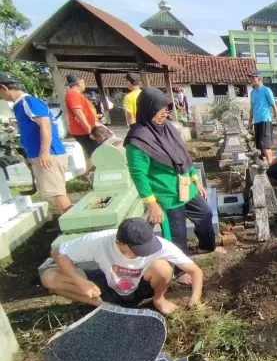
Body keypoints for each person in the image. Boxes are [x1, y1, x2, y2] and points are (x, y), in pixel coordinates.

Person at [41, 217, 203, 316]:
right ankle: (107, 308)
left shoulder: (159, 245)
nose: (143, 254)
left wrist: (193, 302)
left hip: (142, 288)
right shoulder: (100, 240)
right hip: (108, 285)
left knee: (162, 267)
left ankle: (159, 300)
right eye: (137, 250)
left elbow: (195, 271)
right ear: (120, 243)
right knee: (49, 278)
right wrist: (80, 282)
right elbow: (58, 253)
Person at [125, 87, 218, 256]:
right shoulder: (137, 140)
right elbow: (139, 175)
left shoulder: (168, 129)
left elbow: (182, 155)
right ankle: (179, 271)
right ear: (147, 109)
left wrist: (196, 180)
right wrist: (152, 205)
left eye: (165, 112)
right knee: (177, 234)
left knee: (204, 213)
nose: (163, 116)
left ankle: (206, 247)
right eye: (158, 112)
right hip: (166, 195)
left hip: (185, 186)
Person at [0, 72, 71, 214]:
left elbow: (45, 126)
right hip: (40, 155)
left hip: (48, 154)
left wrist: (44, 152)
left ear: (3, 87)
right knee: (54, 194)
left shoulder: (29, 102)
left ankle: (76, 228)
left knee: (57, 193)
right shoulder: (18, 105)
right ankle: (69, 224)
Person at [64, 73, 98, 172]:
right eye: (83, 82)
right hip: (82, 130)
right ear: (78, 83)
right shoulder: (72, 94)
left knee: (93, 151)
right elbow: (78, 112)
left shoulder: (77, 94)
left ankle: (90, 172)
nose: (84, 85)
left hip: (86, 128)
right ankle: (89, 174)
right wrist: (88, 127)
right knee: (93, 152)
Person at [248, 71, 277, 163]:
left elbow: (273, 104)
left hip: (265, 119)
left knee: (265, 145)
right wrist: (250, 121)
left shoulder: (266, 90)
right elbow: (252, 107)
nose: (251, 79)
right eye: (251, 78)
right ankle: (262, 166)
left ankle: (270, 164)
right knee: (259, 146)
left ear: (260, 78)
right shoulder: (252, 92)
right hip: (257, 121)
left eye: (253, 77)